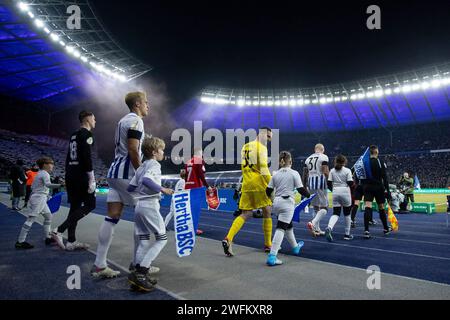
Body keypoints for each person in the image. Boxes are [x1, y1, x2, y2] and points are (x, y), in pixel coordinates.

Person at [91, 92, 149, 279]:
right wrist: (141, 173)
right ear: (138, 104)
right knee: (146, 215)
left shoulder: (121, 120)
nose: (148, 106)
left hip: (114, 173)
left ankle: (100, 264)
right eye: (146, 103)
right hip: (127, 174)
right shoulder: (136, 120)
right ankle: (138, 264)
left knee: (112, 216)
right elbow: (133, 149)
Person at [127, 136, 174, 292]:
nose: (163, 153)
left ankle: (135, 274)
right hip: (149, 205)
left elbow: (130, 187)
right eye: (161, 150)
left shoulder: (142, 166)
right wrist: (162, 190)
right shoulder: (154, 164)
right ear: (154, 152)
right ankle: (141, 273)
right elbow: (147, 180)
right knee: (162, 239)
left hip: (139, 206)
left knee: (144, 241)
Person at [222, 127, 273, 257]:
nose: (269, 140)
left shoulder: (245, 146)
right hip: (259, 183)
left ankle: (228, 238)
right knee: (267, 210)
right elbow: (264, 169)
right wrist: (272, 184)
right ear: (262, 134)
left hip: (246, 183)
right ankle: (268, 244)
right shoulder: (261, 148)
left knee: (246, 214)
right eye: (268, 136)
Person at [52, 111, 97, 251]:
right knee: (90, 204)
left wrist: (68, 173)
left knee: (75, 207)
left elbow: (68, 157)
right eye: (94, 119)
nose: (95, 121)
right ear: (88, 119)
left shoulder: (73, 134)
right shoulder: (87, 134)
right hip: (81, 175)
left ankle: (71, 241)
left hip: (71, 173)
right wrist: (91, 178)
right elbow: (86, 156)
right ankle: (59, 230)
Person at [265, 151, 310, 266]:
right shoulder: (294, 173)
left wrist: (273, 199)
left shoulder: (275, 174)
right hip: (287, 203)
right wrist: (309, 195)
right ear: (290, 161)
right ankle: (272, 256)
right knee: (281, 228)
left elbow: (268, 191)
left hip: (277, 202)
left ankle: (295, 247)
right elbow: (301, 190)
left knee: (288, 225)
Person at [15, 157, 62, 249]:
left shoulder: (40, 173)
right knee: (30, 219)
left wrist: (46, 195)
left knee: (48, 217)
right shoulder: (45, 174)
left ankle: (47, 238)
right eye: (51, 163)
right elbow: (48, 185)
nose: (52, 165)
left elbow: (35, 187)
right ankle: (20, 241)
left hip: (40, 198)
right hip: (39, 199)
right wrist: (61, 185)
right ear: (45, 165)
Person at [362, 145, 392, 239]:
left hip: (367, 187)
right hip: (378, 187)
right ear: (376, 151)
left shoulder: (364, 162)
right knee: (381, 207)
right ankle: (385, 228)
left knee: (368, 206)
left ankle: (366, 231)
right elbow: (385, 178)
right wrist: (388, 191)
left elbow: (361, 176)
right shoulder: (380, 162)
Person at [325, 155, 354, 242]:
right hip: (345, 191)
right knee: (347, 214)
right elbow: (350, 183)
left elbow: (329, 183)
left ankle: (329, 227)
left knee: (336, 213)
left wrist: (333, 190)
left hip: (335, 191)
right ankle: (347, 234)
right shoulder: (348, 170)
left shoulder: (332, 171)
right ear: (344, 162)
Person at [304, 144, 330, 237]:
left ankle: (317, 229)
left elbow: (305, 173)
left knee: (315, 207)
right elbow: (325, 171)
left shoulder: (308, 158)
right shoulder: (323, 157)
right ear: (323, 149)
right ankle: (313, 223)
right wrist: (330, 181)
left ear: (315, 149)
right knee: (325, 207)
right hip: (320, 183)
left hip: (311, 183)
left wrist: (304, 185)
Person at [185, 147, 211, 235]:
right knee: (195, 210)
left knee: (189, 210)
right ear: (199, 152)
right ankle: (194, 229)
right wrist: (207, 186)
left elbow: (186, 175)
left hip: (188, 186)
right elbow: (201, 174)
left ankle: (188, 227)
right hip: (196, 186)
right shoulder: (199, 160)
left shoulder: (188, 161)